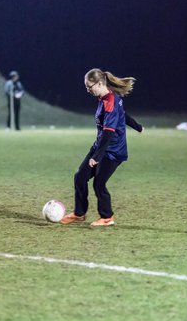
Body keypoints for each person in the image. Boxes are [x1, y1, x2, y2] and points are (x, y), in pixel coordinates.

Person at [61, 68, 143, 227]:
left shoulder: (110, 101)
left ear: (99, 83)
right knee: (80, 177)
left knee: (99, 183)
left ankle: (107, 217)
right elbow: (123, 115)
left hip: (112, 151)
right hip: (100, 146)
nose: (87, 90)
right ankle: (79, 213)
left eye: (89, 86)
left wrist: (97, 156)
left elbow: (108, 133)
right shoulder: (108, 97)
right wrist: (138, 127)